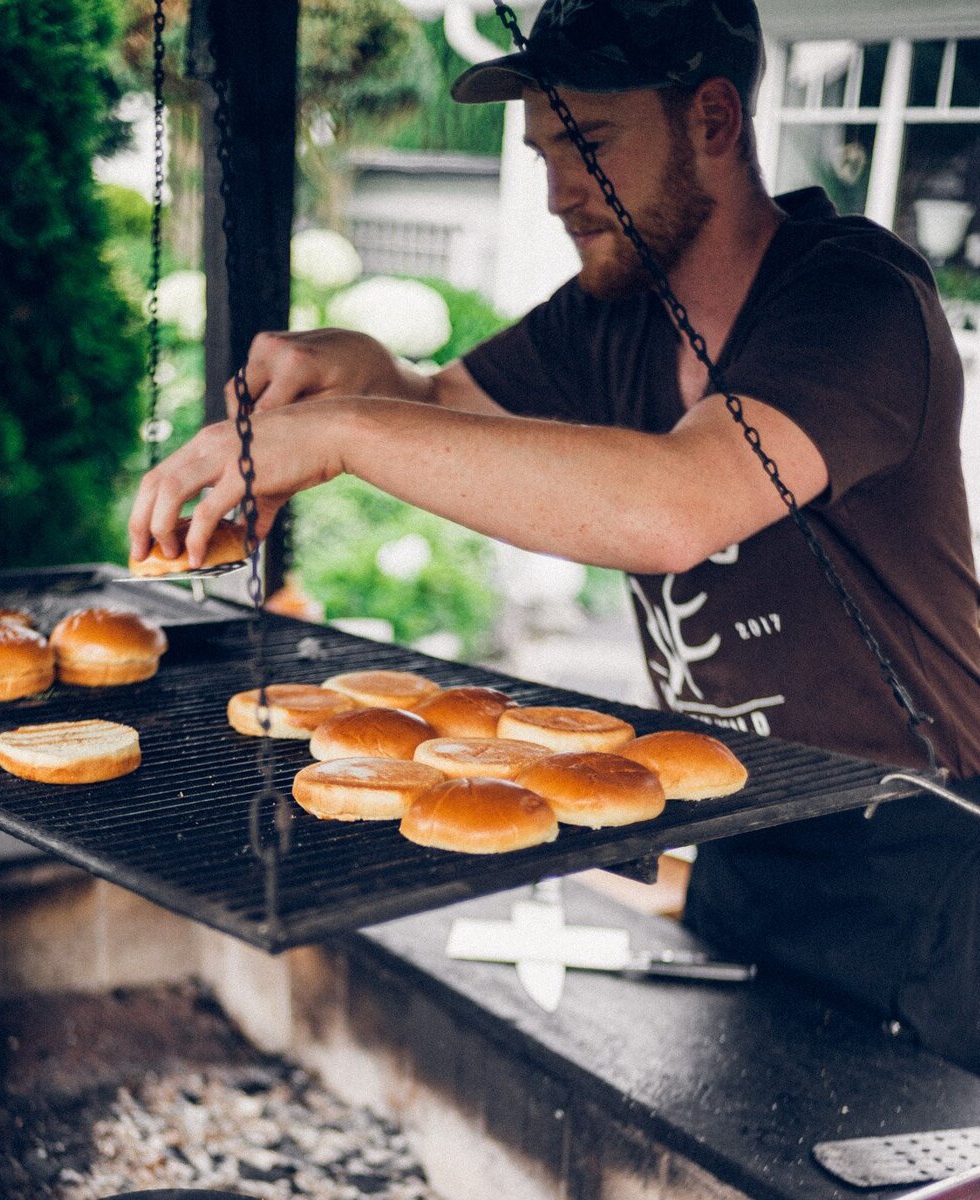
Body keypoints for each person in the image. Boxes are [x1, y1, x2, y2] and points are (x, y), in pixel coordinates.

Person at [129, 0, 980, 1068]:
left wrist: (344, 431)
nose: (556, 191)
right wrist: (363, 370)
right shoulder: (614, 311)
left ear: (712, 119)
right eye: (541, 151)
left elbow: (676, 505)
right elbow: (448, 406)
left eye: (588, 145)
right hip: (737, 835)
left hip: (929, 858)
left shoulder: (855, 300)